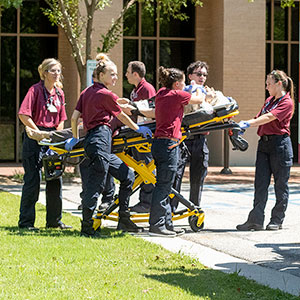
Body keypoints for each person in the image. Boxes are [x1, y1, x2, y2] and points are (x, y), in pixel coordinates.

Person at [65, 54, 152, 237]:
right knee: (95, 186)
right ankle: (87, 228)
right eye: (112, 74)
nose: (116, 77)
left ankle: (123, 218)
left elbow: (74, 118)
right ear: (101, 75)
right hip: (100, 140)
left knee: (127, 175)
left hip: (94, 141)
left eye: (117, 74)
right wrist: (138, 128)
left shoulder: (87, 92)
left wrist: (74, 137)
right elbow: (121, 115)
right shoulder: (105, 94)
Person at [148, 66, 213, 237]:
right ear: (177, 84)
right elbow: (199, 100)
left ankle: (166, 223)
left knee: (165, 184)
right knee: (163, 186)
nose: (185, 85)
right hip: (169, 144)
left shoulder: (161, 93)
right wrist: (201, 90)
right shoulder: (177, 95)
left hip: (159, 143)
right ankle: (156, 225)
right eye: (184, 82)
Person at [18, 58, 72, 231]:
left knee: (55, 179)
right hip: (35, 138)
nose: (57, 74)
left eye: (58, 71)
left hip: (52, 137)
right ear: (45, 73)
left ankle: (54, 221)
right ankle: (26, 223)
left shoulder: (59, 93)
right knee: (32, 180)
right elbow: (23, 115)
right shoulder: (34, 90)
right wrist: (38, 133)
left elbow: (62, 119)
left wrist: (55, 136)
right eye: (53, 71)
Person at [236, 70, 294, 231]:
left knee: (280, 185)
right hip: (264, 145)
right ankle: (255, 220)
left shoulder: (286, 102)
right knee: (260, 184)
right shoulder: (269, 100)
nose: (266, 87)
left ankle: (277, 219)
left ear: (279, 84)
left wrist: (248, 123)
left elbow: (269, 117)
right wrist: (243, 125)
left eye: (269, 83)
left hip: (280, 146)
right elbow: (259, 117)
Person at [171, 61, 213, 210]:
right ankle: (170, 212)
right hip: (183, 139)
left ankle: (194, 211)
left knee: (198, 179)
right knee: (176, 176)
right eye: (199, 74)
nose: (202, 77)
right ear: (190, 76)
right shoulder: (185, 91)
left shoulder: (210, 93)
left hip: (200, 139)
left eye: (204, 75)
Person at [125, 61, 157, 213]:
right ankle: (144, 201)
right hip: (137, 133)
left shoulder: (147, 89)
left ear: (135, 74)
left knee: (146, 167)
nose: (126, 75)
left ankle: (148, 202)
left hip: (145, 135)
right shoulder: (136, 90)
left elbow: (151, 110)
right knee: (140, 168)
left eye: (128, 72)